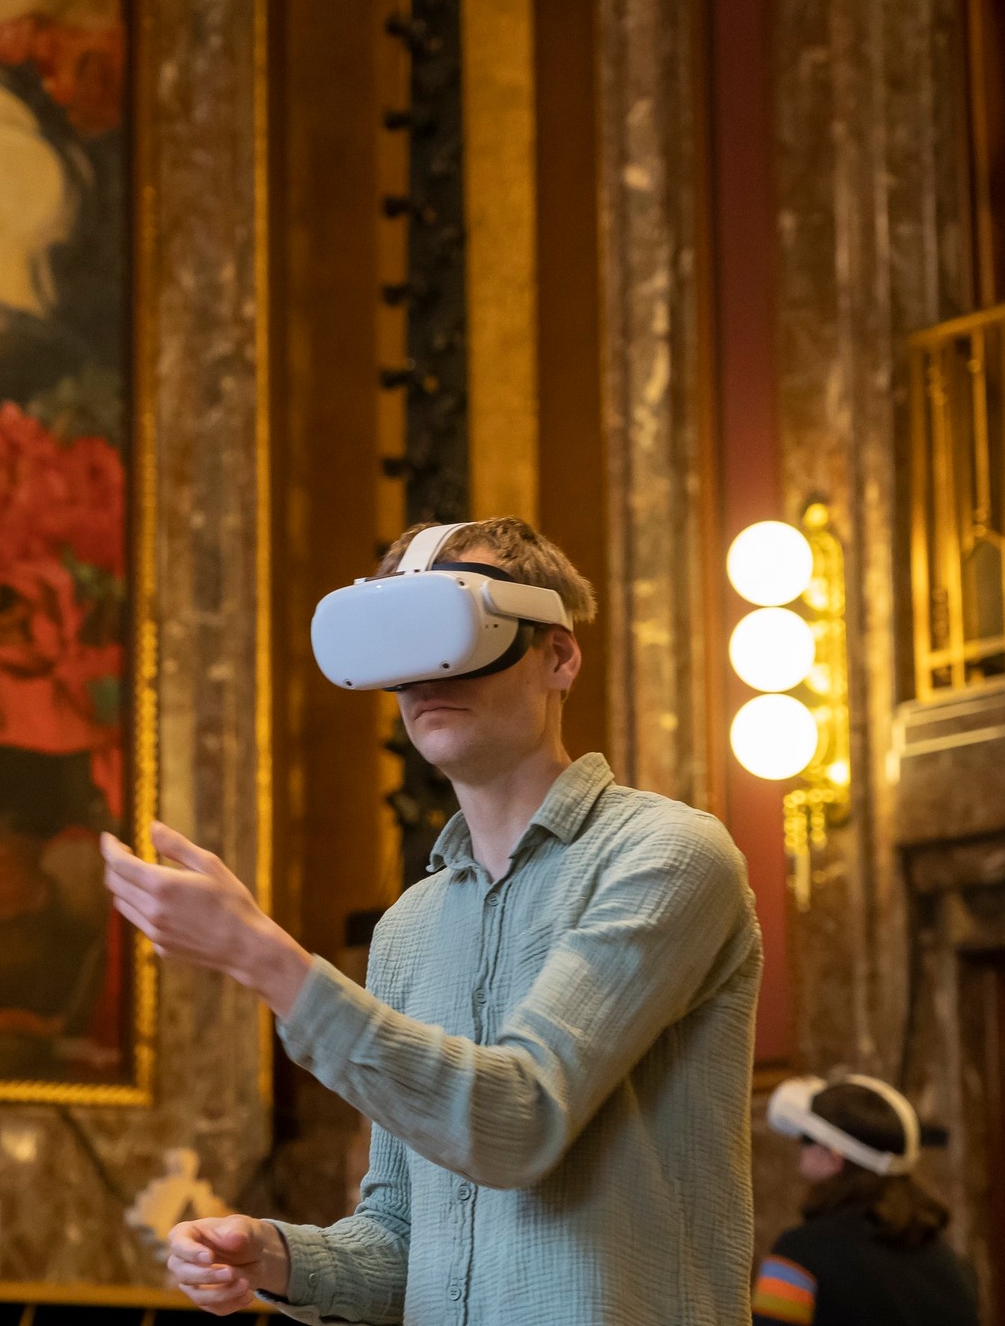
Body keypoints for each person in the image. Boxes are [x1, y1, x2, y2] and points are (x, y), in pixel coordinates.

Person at [101, 516, 763, 1325]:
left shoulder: (667, 855)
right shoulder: (408, 928)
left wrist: (261, 955)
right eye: (399, 642)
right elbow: (402, 1238)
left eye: (453, 631)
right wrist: (276, 1254)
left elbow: (520, 1120)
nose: (426, 673)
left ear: (558, 654)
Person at [755, 1074, 980, 1326]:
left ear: (834, 1156)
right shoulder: (947, 1259)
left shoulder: (798, 1255)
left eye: (807, 1139)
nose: (799, 1149)